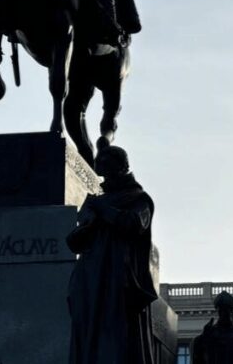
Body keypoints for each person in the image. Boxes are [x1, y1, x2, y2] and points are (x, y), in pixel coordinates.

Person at [67, 143, 157, 364]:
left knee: (115, 334)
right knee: (88, 328)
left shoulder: (138, 198)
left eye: (107, 171)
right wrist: (86, 227)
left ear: (121, 168)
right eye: (101, 173)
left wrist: (101, 209)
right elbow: (75, 241)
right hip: (90, 276)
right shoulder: (98, 201)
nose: (104, 179)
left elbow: (133, 223)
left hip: (117, 277)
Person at [191, 291, 233, 364]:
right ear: (218, 312)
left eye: (226, 311)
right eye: (221, 311)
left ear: (232, 313)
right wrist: (204, 339)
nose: (223, 315)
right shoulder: (207, 336)